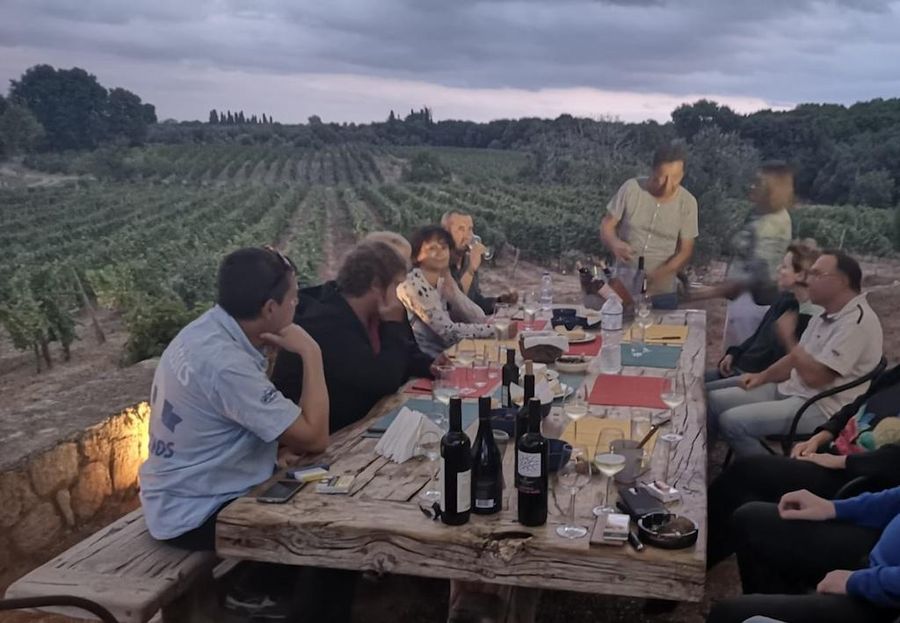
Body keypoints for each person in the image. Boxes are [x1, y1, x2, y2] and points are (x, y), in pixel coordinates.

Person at [140, 246, 329, 550]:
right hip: (197, 512)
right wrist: (312, 353)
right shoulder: (226, 365)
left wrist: (267, 456)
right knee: (325, 512)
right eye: (294, 297)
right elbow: (315, 438)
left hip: (174, 494)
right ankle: (260, 592)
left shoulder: (207, 330)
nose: (297, 304)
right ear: (270, 309)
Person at [707, 363, 900, 568]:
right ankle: (693, 550)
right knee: (746, 485)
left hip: (860, 480)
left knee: (747, 476)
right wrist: (819, 437)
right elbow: (855, 406)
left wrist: (841, 461)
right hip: (833, 455)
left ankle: (693, 558)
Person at [707, 250, 883, 457]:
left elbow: (815, 379)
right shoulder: (828, 313)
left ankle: (770, 475)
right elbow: (794, 360)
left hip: (819, 407)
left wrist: (789, 340)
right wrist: (761, 377)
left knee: (733, 422)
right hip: (791, 389)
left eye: (817, 275)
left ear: (842, 281)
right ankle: (697, 461)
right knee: (712, 400)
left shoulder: (856, 323)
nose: (809, 281)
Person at [272, 240, 439, 432]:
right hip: (327, 438)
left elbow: (406, 355)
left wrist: (435, 366)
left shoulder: (375, 314)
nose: (398, 294)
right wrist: (393, 324)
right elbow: (383, 381)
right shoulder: (327, 323)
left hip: (363, 423)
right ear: (376, 285)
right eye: (396, 285)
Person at [707, 487, 900, 623]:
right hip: (878, 553)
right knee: (751, 520)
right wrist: (833, 508)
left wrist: (859, 582)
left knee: (730, 615)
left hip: (886, 596)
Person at [705, 240, 821, 389]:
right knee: (693, 383)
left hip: (754, 378)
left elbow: (785, 363)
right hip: (740, 367)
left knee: (700, 392)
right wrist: (734, 353)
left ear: (800, 275)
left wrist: (787, 337)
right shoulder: (784, 299)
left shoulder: (807, 316)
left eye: (785, 267)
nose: (779, 269)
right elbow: (758, 337)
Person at [599, 141, 699, 309]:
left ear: (682, 175)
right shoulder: (631, 189)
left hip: (662, 288)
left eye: (675, 178)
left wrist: (661, 274)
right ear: (652, 171)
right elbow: (607, 225)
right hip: (623, 284)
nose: (668, 185)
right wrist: (614, 243)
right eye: (662, 178)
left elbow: (686, 250)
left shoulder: (688, 203)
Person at [720, 162, 797, 348]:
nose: (752, 186)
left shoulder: (772, 224)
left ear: (773, 189)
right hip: (744, 303)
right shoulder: (762, 216)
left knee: (741, 362)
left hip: (753, 305)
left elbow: (759, 276)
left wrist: (703, 293)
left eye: (759, 182)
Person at [398, 225, 495, 358]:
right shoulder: (412, 285)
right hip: (428, 361)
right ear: (416, 256)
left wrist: (453, 292)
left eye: (444, 247)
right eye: (432, 248)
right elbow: (448, 333)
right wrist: (495, 330)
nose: (440, 252)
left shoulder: (441, 282)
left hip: (449, 355)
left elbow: (478, 317)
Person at [443, 210, 517, 314]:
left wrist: (500, 301)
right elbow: (452, 306)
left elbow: (475, 302)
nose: (468, 236)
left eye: (470, 229)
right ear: (445, 233)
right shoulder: (440, 265)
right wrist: (470, 271)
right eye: (461, 229)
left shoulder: (467, 261)